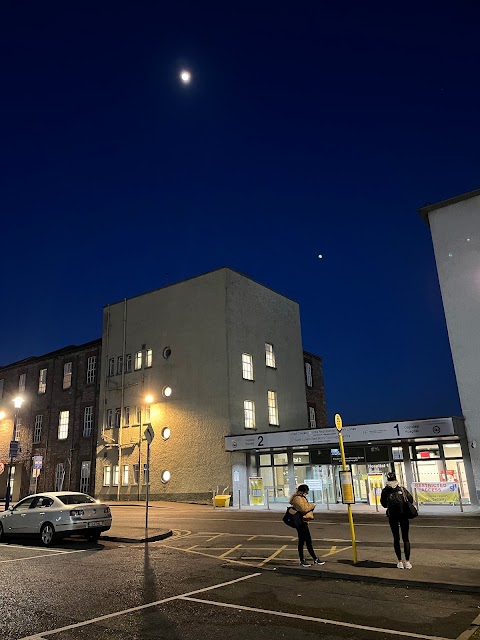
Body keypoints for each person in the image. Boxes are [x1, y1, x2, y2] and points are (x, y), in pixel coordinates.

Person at [380, 471, 414, 569]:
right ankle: (407, 562)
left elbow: (384, 505)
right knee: (406, 538)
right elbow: (410, 500)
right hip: (403, 516)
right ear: (396, 479)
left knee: (396, 539)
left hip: (392, 517)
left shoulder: (385, 491)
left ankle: (399, 561)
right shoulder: (401, 489)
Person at [289, 484, 325, 567]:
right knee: (302, 541)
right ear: (302, 491)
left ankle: (315, 559)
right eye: (306, 492)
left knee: (308, 541)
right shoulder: (297, 498)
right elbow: (303, 509)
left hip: (304, 521)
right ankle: (303, 560)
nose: (306, 494)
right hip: (300, 522)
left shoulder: (300, 497)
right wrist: (312, 505)